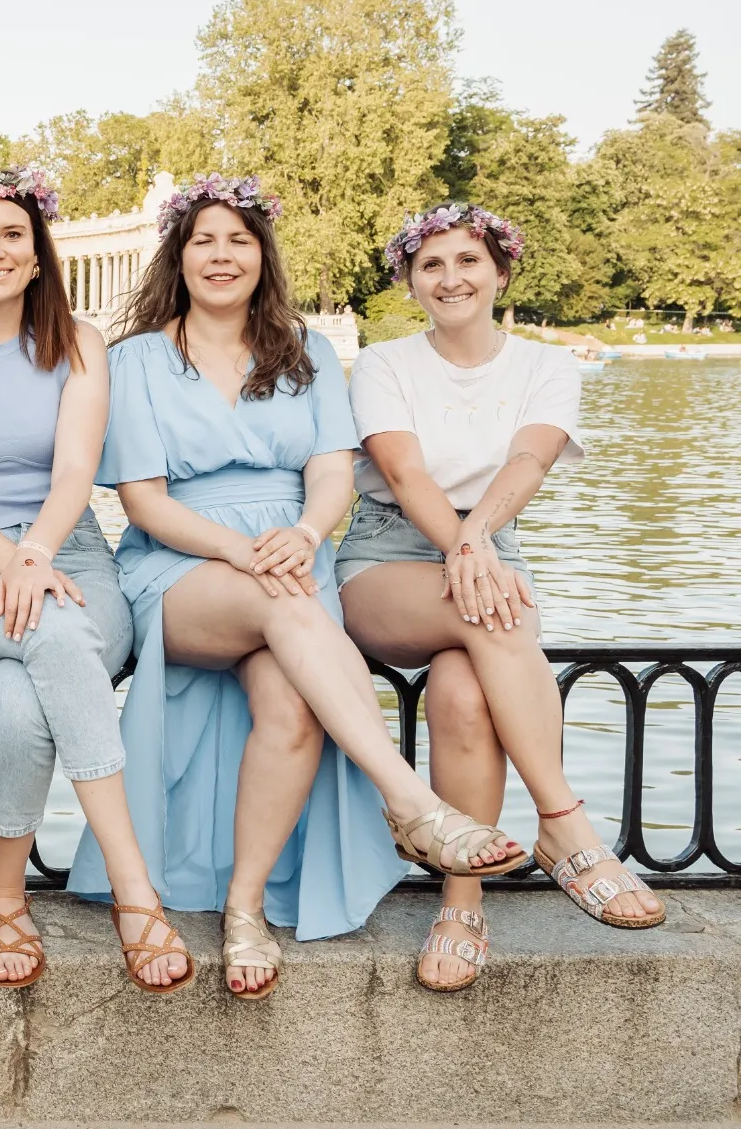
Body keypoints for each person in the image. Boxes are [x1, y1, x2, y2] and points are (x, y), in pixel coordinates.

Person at [78, 175, 526, 1001]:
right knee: (284, 602)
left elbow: (331, 477)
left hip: (293, 552)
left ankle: (244, 907)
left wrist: (307, 534)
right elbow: (142, 500)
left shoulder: (309, 350)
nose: (221, 256)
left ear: (262, 256)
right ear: (178, 255)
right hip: (184, 562)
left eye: (238, 240)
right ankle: (412, 802)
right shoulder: (135, 358)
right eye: (203, 240)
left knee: (290, 703)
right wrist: (243, 551)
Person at [340, 205, 663, 992]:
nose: (451, 277)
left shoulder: (547, 364)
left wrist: (476, 538)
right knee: (497, 608)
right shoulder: (384, 363)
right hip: (388, 556)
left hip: (490, 551)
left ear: (501, 273)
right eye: (432, 265)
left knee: (462, 690)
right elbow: (409, 476)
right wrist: (464, 547)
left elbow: (530, 457)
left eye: (468, 261)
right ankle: (563, 822)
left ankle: (462, 901)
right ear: (411, 282)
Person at [0, 167, 189, 993]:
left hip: (73, 558)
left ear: (38, 257)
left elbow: (74, 474)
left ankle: (5, 901)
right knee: (56, 633)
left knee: (23, 698)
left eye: (12, 236)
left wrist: (36, 554)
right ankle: (134, 891)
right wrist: (10, 560)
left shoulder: (78, 341)